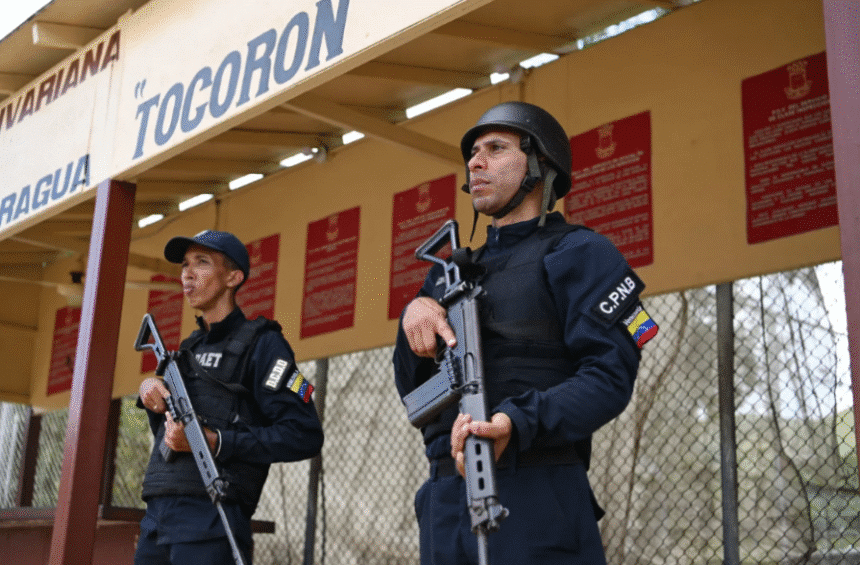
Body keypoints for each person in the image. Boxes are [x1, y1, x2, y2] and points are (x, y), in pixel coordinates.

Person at [393, 101, 658, 565]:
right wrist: (413, 315)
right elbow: (414, 390)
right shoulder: (448, 275)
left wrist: (515, 422)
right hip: (445, 499)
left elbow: (609, 377)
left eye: (496, 149)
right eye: (473, 153)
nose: (475, 163)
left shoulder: (581, 252)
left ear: (540, 166)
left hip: (534, 490)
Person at [135, 230, 324, 565]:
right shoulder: (188, 349)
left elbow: (303, 434)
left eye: (202, 263)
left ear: (233, 278)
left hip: (211, 519)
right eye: (185, 265)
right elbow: (169, 437)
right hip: (156, 519)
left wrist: (216, 441)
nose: (187, 274)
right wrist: (151, 394)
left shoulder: (264, 345)